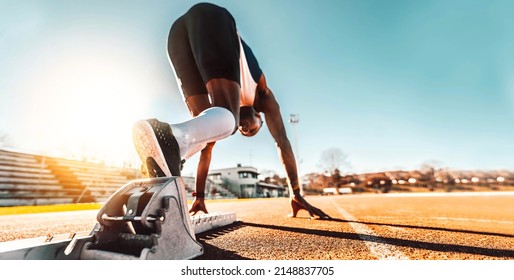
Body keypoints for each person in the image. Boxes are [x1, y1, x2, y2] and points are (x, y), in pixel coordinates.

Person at [132, 2, 330, 220]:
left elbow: (206, 153)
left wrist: (199, 197)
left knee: (201, 134)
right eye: (253, 130)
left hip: (177, 36)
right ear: (259, 118)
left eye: (247, 133)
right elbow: (282, 142)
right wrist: (296, 193)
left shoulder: (217, 115)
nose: (246, 130)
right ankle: (171, 138)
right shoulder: (263, 97)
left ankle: (162, 159)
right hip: (212, 18)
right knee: (228, 124)